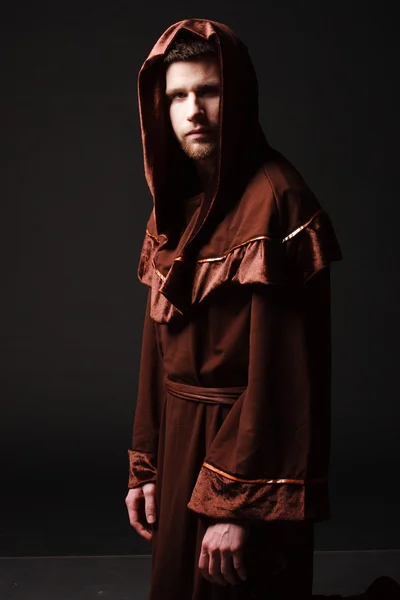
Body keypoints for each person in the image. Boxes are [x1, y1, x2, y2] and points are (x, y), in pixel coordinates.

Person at [125, 18, 343, 600]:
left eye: (209, 91)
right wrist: (145, 466)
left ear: (238, 95)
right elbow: (157, 352)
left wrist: (238, 508)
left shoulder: (277, 201)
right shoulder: (174, 206)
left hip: (242, 449)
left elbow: (286, 378)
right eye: (177, 96)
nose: (193, 110)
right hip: (178, 443)